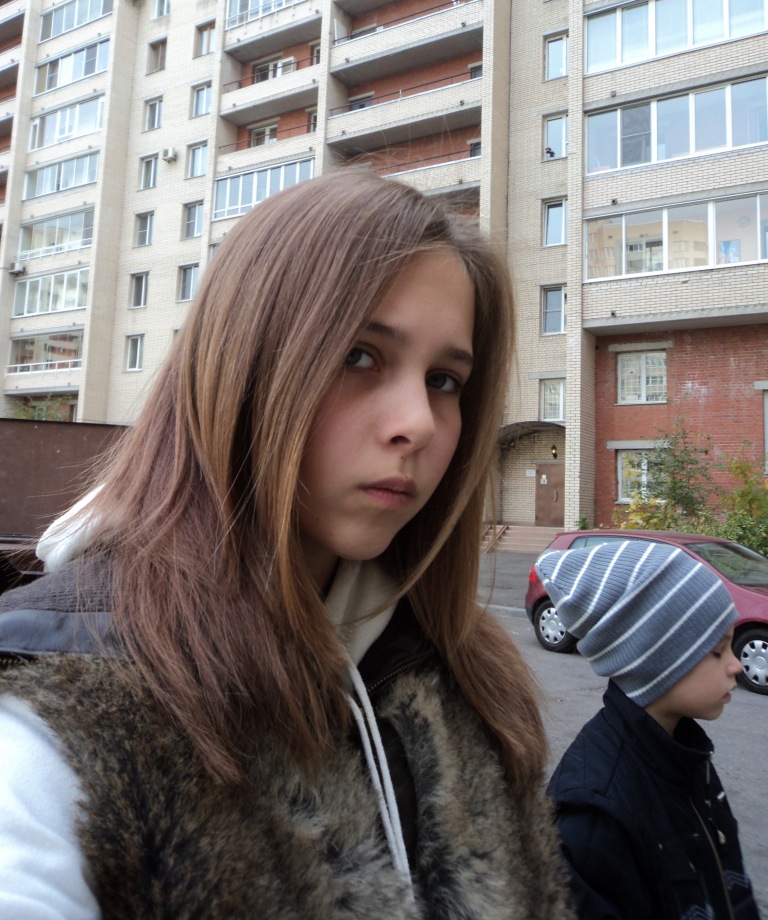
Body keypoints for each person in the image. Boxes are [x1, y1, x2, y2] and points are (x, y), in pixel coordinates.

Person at [0, 172, 574, 920]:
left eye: (444, 379)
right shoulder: (53, 718)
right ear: (245, 365)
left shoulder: (467, 671)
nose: (419, 424)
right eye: (360, 356)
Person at [538, 539, 761, 920]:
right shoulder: (593, 817)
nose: (736, 666)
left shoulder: (683, 751)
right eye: (717, 651)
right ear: (654, 660)